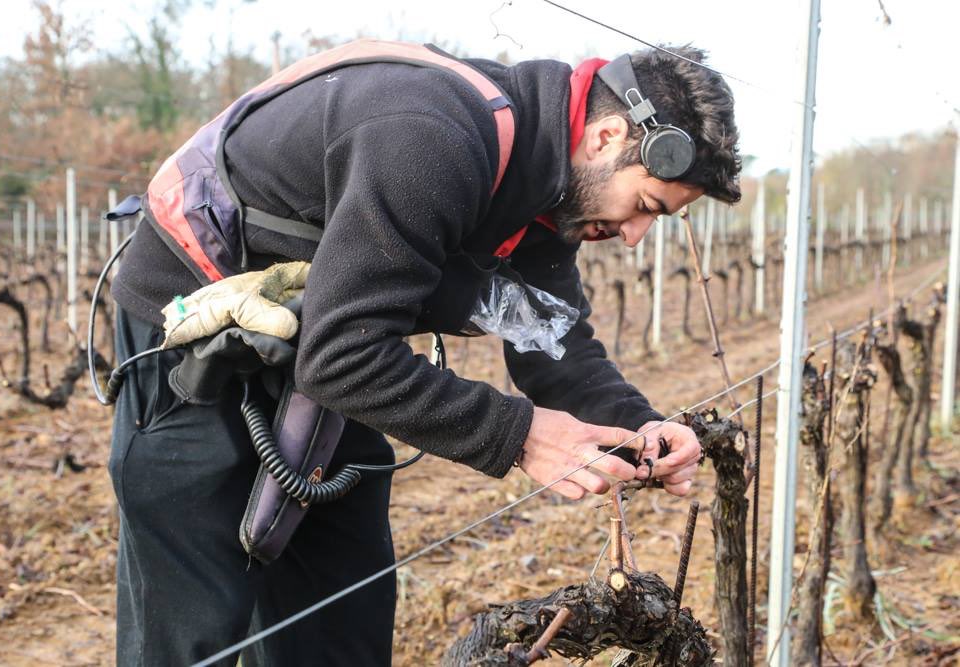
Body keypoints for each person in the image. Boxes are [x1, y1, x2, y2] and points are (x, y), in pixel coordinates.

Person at [106, 38, 741, 665]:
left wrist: (639, 426)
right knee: (194, 630)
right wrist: (523, 436)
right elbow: (341, 359)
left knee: (338, 619)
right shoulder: (434, 136)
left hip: (321, 348)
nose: (634, 236)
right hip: (194, 342)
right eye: (646, 206)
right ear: (605, 137)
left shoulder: (545, 190)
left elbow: (552, 340)